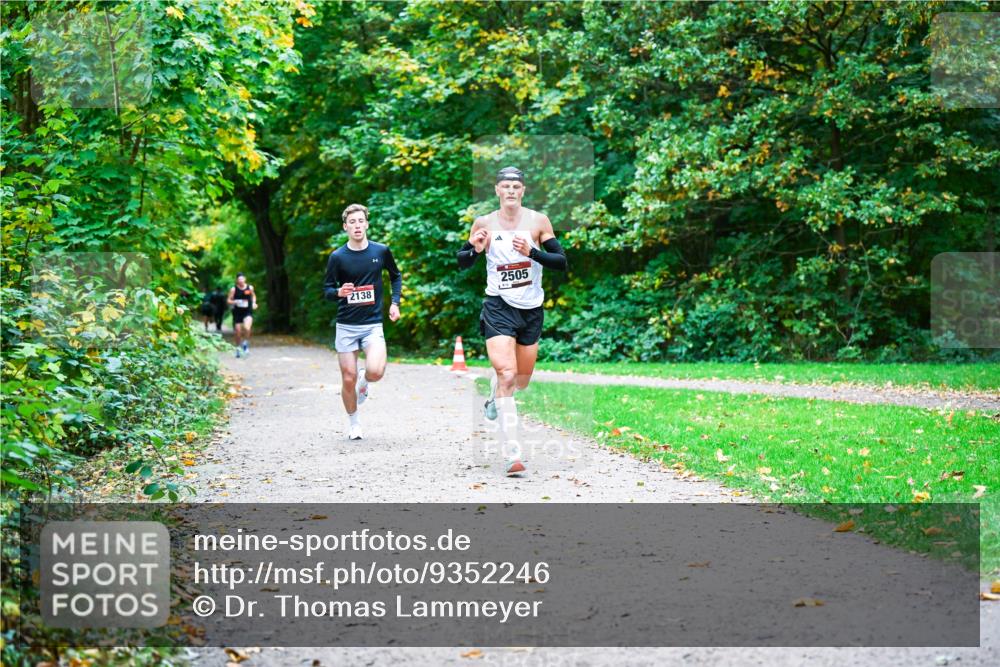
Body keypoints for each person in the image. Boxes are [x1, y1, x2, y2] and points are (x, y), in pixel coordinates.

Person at [456, 166, 567, 476]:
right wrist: (474, 250)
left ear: (523, 191)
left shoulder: (538, 222)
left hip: (531, 310)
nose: (510, 191)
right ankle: (513, 453)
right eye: (505, 186)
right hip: (498, 306)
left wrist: (532, 252)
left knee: (521, 380)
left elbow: (561, 262)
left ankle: (494, 396)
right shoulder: (484, 223)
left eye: (516, 187)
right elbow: (462, 262)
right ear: (497, 190)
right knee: (507, 374)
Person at [323, 204, 402, 440]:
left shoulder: (381, 251)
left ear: (366, 224)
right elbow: (327, 290)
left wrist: (395, 303)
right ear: (345, 227)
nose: (357, 226)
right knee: (347, 379)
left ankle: (365, 380)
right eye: (352, 222)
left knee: (376, 371)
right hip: (346, 325)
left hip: (372, 324)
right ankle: (354, 423)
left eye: (360, 221)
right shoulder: (337, 257)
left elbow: (395, 276)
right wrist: (339, 292)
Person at [227, 273, 257, 357]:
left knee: (247, 328)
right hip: (237, 313)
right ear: (237, 280)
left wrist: (254, 303)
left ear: (245, 279)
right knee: (238, 332)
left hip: (247, 311)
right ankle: (238, 348)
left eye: (242, 279)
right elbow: (228, 300)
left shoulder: (250, 288)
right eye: (239, 279)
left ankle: (245, 343)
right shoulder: (233, 289)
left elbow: (253, 296)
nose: (241, 281)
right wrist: (235, 301)